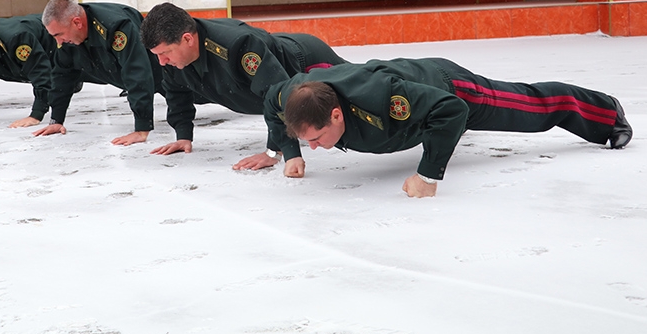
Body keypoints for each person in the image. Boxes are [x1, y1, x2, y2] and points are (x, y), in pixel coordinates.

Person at [266, 57, 633, 198]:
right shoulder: (294, 96)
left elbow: (450, 110)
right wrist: (292, 153)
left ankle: (605, 113)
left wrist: (428, 175)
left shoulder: (382, 97)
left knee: (530, 109)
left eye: (314, 140)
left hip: (448, 88)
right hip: (418, 109)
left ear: (336, 116)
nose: (314, 147)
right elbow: (271, 99)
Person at [139, 2, 346, 170]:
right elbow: (176, 91)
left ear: (187, 39)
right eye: (157, 55)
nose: (161, 62)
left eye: (164, 53)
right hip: (278, 64)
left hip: (307, 62)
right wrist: (183, 135)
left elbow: (279, 94)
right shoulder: (174, 58)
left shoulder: (237, 46)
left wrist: (278, 152)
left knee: (359, 91)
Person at [35, 0, 165, 146]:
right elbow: (62, 75)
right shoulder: (68, 35)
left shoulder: (116, 26)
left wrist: (142, 128)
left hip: (167, 75)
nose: (59, 42)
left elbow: (136, 72)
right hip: (118, 75)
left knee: (195, 97)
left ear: (77, 22)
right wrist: (56, 120)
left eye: (59, 35)